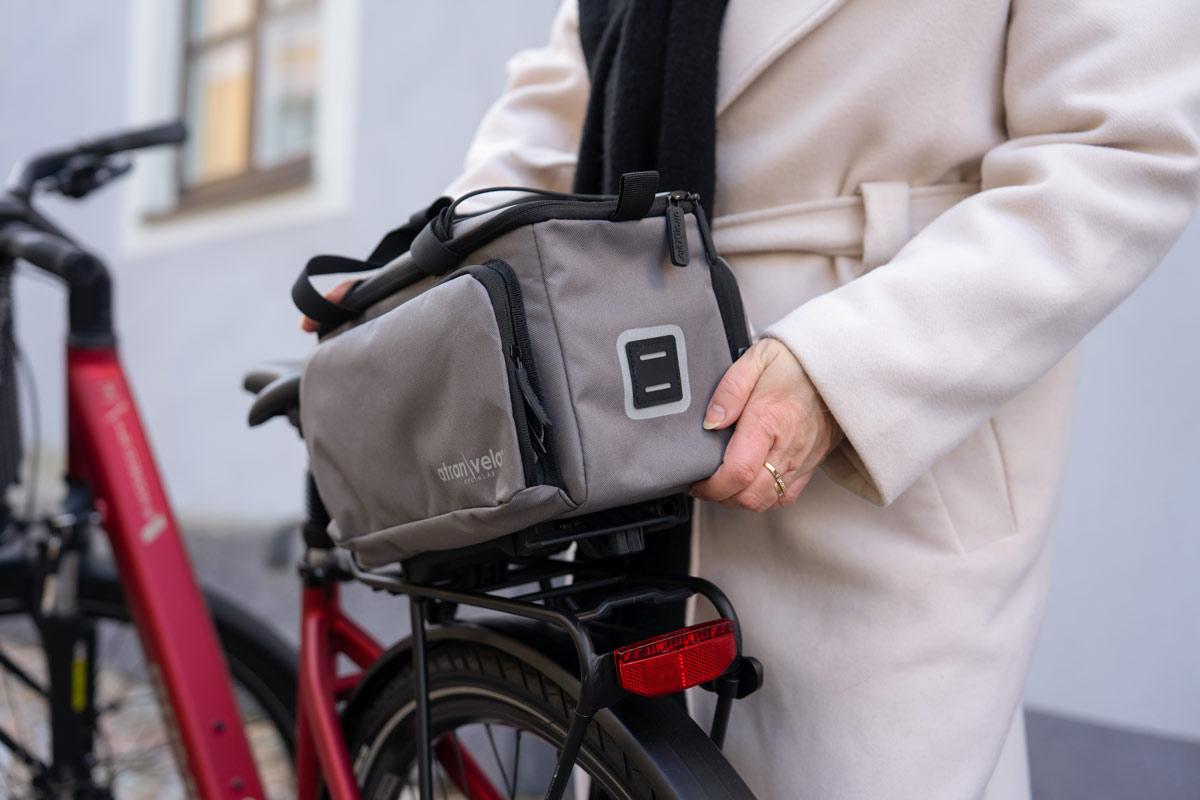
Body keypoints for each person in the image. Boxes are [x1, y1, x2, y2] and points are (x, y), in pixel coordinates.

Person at [309, 2, 1200, 797]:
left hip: (886, 411)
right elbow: (558, 101)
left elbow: (1120, 145)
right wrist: (408, 277)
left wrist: (841, 370)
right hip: (623, 402)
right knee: (626, 749)